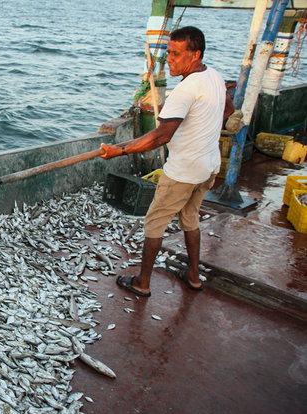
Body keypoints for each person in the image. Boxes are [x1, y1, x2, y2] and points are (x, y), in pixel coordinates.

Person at [100, 26, 237, 297]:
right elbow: (230, 109)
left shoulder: (185, 91)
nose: (169, 59)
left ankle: (142, 282)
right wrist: (204, 129)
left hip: (183, 171)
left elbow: (160, 136)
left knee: (154, 223)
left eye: (175, 54)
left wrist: (120, 150)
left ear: (195, 54)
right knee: (190, 217)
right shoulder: (214, 76)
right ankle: (194, 276)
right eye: (167, 53)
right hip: (209, 166)